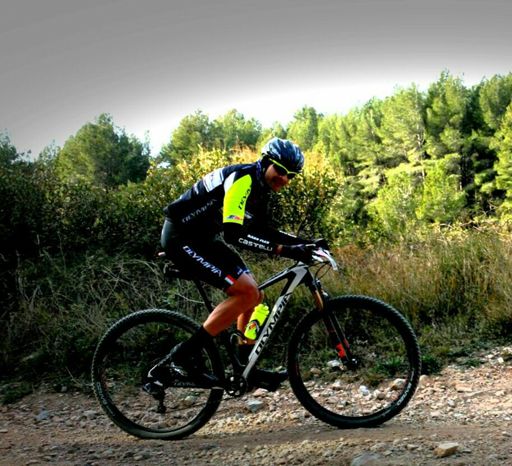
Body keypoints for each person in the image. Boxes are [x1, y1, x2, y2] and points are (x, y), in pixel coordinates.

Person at [154, 138, 318, 392]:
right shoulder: (243, 179)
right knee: (247, 293)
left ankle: (244, 364)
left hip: (203, 240)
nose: (285, 179)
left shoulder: (260, 186)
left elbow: (263, 231)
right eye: (280, 170)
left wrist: (306, 243)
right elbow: (234, 234)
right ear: (265, 162)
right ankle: (183, 356)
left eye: (291, 176)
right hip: (180, 238)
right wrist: (284, 250)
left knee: (255, 295)